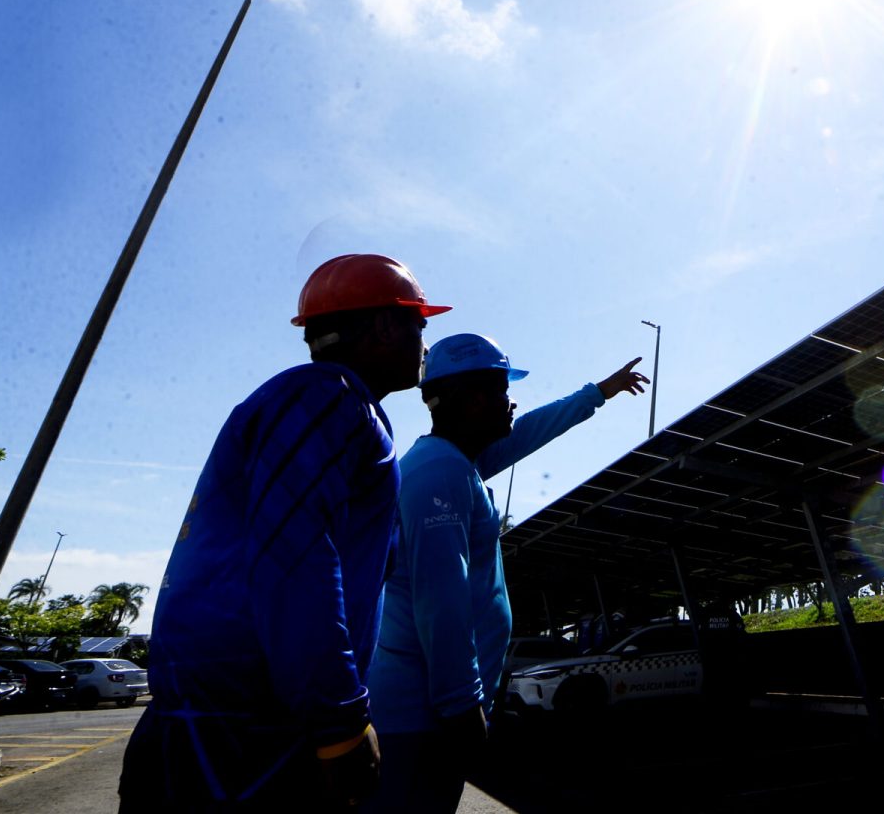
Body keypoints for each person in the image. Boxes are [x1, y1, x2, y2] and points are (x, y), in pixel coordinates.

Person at [118, 254, 449, 811]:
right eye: (420, 324)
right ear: (388, 324)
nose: (424, 344)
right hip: (244, 730)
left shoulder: (320, 401)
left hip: (228, 715)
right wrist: (339, 720)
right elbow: (294, 558)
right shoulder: (328, 398)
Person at [361, 333, 646, 813]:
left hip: (423, 717)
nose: (512, 403)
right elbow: (441, 602)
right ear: (472, 401)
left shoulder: (455, 462)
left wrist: (597, 393)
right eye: (501, 391)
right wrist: (461, 706)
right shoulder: (439, 474)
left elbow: (530, 431)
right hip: (419, 720)